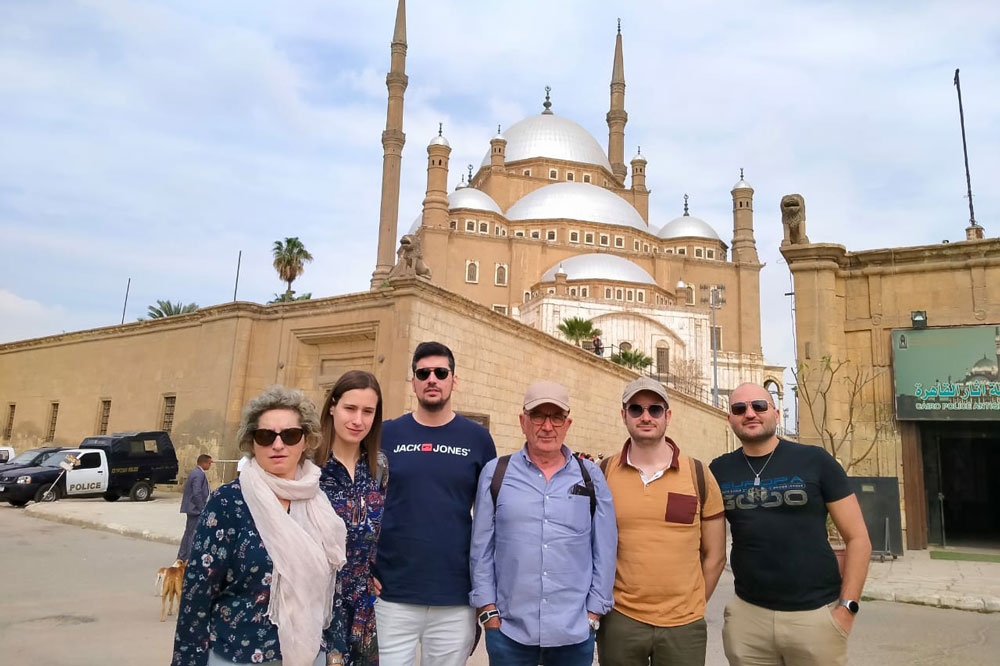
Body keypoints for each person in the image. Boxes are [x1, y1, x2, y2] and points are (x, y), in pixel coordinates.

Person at [172, 385, 347, 666]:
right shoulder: (229, 502)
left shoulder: (319, 504)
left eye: (290, 435)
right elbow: (197, 594)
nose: (278, 445)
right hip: (237, 656)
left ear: (305, 440)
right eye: (266, 436)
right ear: (252, 442)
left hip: (310, 655)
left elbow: (331, 588)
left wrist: (337, 652)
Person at [709, 383, 872, 666]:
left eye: (759, 406)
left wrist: (847, 608)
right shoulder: (719, 470)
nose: (750, 413)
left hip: (814, 616)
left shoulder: (815, 461)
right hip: (748, 618)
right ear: (730, 419)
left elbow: (858, 538)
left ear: (775, 412)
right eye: (739, 408)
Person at [470, 380, 617, 666]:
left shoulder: (590, 476)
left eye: (556, 417)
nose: (547, 426)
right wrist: (488, 611)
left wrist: (593, 613)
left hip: (573, 632)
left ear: (568, 422)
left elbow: (605, 546)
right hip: (509, 631)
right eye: (538, 415)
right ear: (523, 421)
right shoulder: (496, 473)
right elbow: (481, 548)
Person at [373, 341, 496, 666]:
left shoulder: (477, 439)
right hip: (391, 592)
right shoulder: (386, 435)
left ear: (453, 380)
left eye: (440, 372)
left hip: (454, 596)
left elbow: (489, 517)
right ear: (412, 380)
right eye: (423, 373)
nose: (432, 379)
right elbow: (366, 505)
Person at [596, 377, 726, 666]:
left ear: (667, 416)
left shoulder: (699, 475)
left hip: (684, 626)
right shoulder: (603, 473)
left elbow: (716, 555)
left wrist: (694, 604)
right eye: (636, 409)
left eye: (654, 409)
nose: (645, 417)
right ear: (623, 415)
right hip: (621, 621)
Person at [318, 371, 389, 666]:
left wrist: (372, 568)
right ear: (333, 406)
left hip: (361, 605)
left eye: (367, 411)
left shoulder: (379, 466)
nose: (358, 420)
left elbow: (376, 529)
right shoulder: (309, 465)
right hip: (315, 600)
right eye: (350, 408)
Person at [177, 454, 212, 563]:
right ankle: (188, 557)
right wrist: (202, 508)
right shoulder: (199, 474)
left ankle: (182, 556)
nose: (210, 466)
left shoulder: (195, 472)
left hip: (192, 507)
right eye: (210, 463)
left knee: (188, 532)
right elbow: (197, 492)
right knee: (192, 533)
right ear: (204, 463)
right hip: (195, 509)